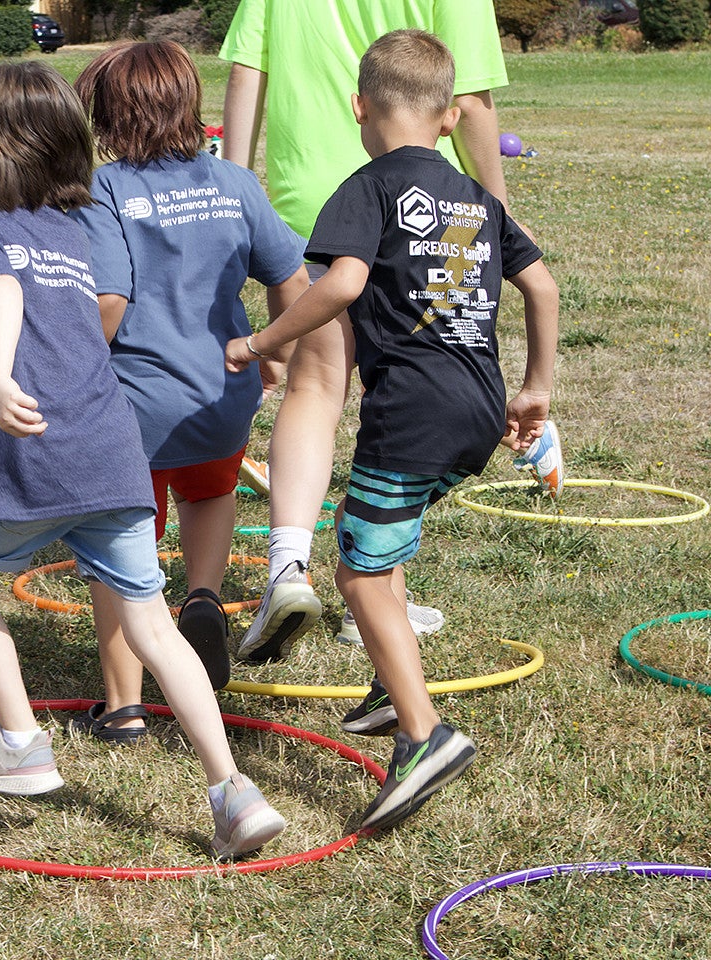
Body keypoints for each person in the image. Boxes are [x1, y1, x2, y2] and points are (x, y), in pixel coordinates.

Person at [0, 60, 285, 860]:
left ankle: (20, 743)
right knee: (153, 628)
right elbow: (49, 327)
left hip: (43, 456)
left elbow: (1, 297)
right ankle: (233, 793)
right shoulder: (72, 236)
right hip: (114, 455)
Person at [225, 29, 559, 830]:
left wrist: (262, 341)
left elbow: (340, 284)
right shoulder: (478, 197)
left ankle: (424, 734)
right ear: (450, 117)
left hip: (409, 413)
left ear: (358, 108)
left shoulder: (366, 187)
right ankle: (388, 683)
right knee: (387, 541)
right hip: (477, 409)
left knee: (359, 577)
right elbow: (542, 287)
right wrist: (537, 387)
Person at [62, 40, 309, 741]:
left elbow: (108, 302)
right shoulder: (235, 181)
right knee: (211, 491)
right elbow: (294, 282)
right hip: (220, 397)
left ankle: (124, 705)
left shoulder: (105, 189)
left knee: (118, 555)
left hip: (133, 408)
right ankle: (202, 595)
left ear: (110, 117)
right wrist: (273, 353)